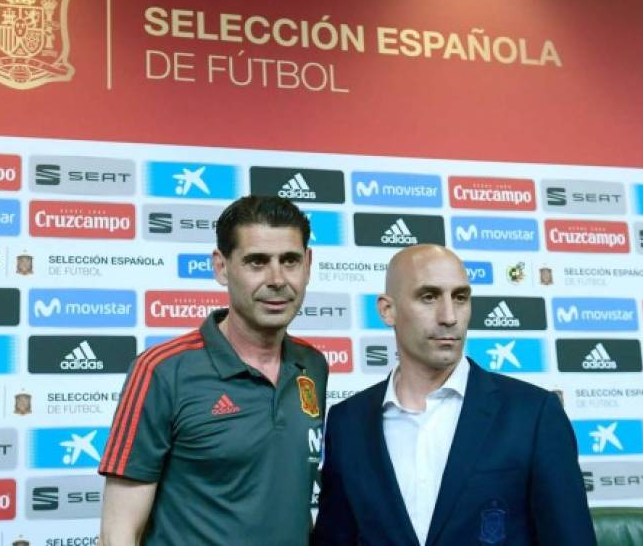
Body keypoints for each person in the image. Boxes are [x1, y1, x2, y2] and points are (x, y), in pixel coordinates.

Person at [315, 244, 596, 546]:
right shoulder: (348, 421)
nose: (449, 316)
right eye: (429, 297)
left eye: (460, 298)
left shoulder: (534, 414)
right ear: (388, 310)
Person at [99, 195, 328, 545]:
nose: (277, 278)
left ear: (308, 264)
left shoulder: (312, 365)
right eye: (256, 262)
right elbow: (119, 532)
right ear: (221, 267)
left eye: (290, 260)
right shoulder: (162, 370)